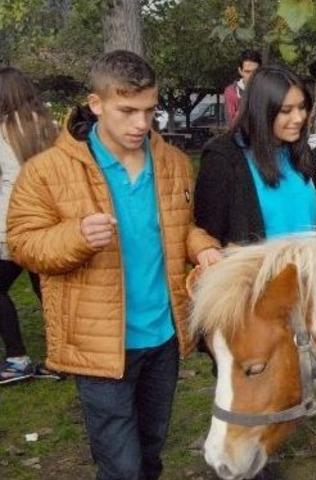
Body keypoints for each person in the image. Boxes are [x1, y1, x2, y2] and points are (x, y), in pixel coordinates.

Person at [6, 50, 221, 479]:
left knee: (150, 453)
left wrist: (203, 249)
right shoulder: (47, 170)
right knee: (122, 467)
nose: (141, 123)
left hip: (162, 338)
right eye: (127, 111)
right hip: (99, 344)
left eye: (149, 110)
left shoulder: (174, 164)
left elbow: (180, 228)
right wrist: (76, 237)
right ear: (96, 103)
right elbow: (23, 244)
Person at [196, 65, 316, 246]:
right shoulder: (222, 158)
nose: (298, 118)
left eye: (302, 107)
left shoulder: (303, 154)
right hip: (256, 264)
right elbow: (208, 236)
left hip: (311, 262)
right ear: (261, 111)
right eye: (286, 110)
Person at [0, 67, 58, 384]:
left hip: (10, 223)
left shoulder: (2, 130)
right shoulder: (49, 127)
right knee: (47, 290)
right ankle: (63, 356)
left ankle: (17, 358)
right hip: (46, 221)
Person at [224, 49, 262, 125]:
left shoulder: (267, 89)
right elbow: (232, 124)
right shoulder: (232, 92)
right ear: (240, 71)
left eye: (255, 72)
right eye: (247, 72)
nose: (252, 76)